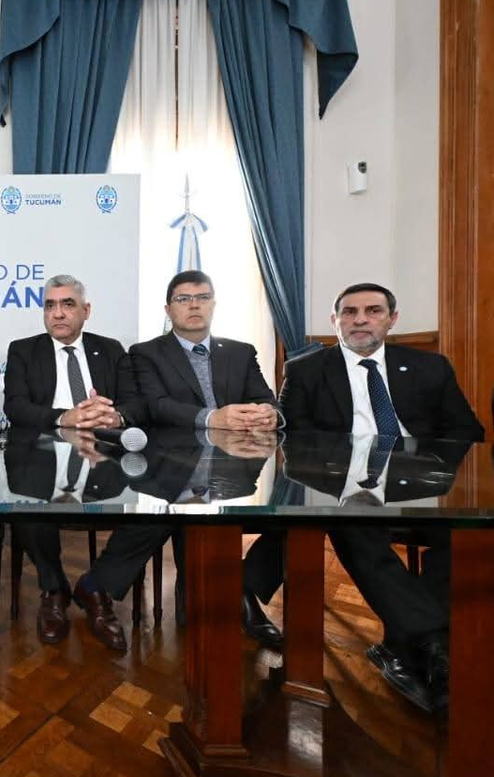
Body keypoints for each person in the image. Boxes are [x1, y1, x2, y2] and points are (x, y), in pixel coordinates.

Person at [280, 281, 484, 712]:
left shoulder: (430, 367)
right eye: (349, 312)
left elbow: (466, 431)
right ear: (334, 321)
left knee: (465, 533)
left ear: (392, 319)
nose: (360, 320)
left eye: (373, 311)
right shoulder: (305, 371)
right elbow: (294, 443)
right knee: (351, 524)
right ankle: (435, 643)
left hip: (422, 485)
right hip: (346, 484)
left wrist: (435, 468)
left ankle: (407, 642)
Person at [118, 270, 286, 649]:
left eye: (202, 297)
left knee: (293, 520)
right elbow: (156, 406)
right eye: (183, 299)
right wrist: (213, 418)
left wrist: (269, 414)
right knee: (187, 513)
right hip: (174, 466)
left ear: (213, 304)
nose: (194, 305)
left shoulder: (240, 351)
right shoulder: (146, 353)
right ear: (168, 309)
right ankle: (222, 606)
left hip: (238, 467)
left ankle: (240, 590)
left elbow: (267, 399)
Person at [2, 274, 135, 645]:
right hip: (41, 455)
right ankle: (54, 587)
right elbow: (15, 407)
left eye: (67, 304)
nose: (58, 313)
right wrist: (65, 417)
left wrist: (115, 416)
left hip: (104, 458)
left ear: (86, 311)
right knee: (25, 504)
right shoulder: (24, 350)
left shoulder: (110, 349)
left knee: (148, 512)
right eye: (50, 305)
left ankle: (96, 586)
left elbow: (135, 403)